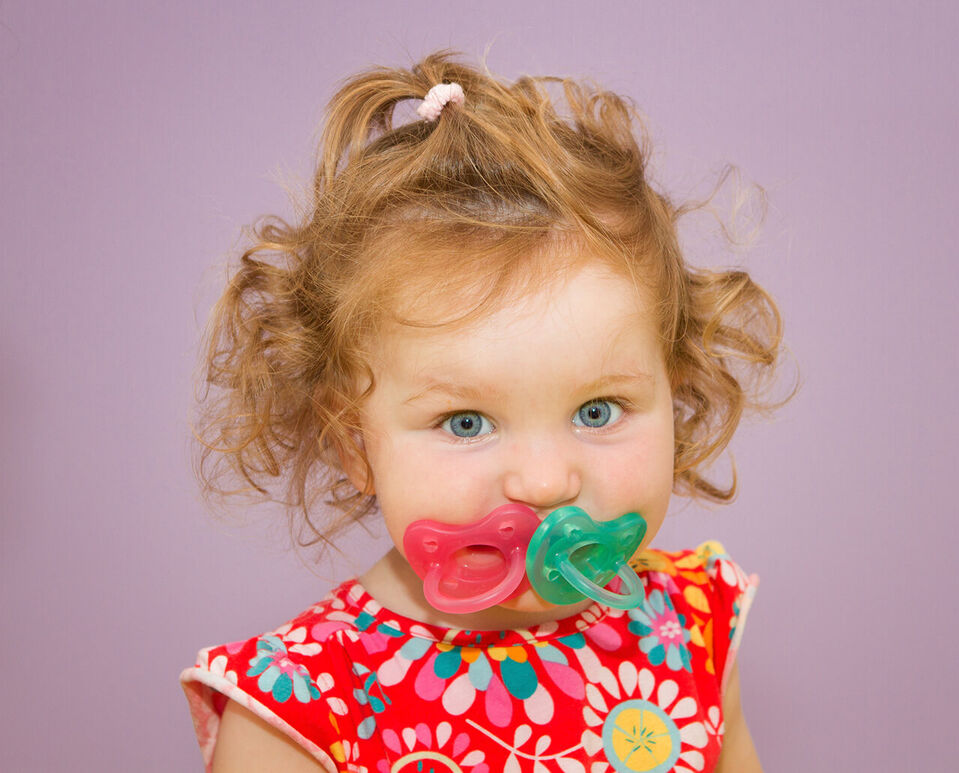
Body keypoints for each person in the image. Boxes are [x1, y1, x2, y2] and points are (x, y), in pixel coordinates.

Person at [180, 50, 785, 773]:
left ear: (673, 395)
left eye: (598, 411)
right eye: (466, 422)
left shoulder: (693, 630)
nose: (545, 482)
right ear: (354, 442)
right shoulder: (300, 713)